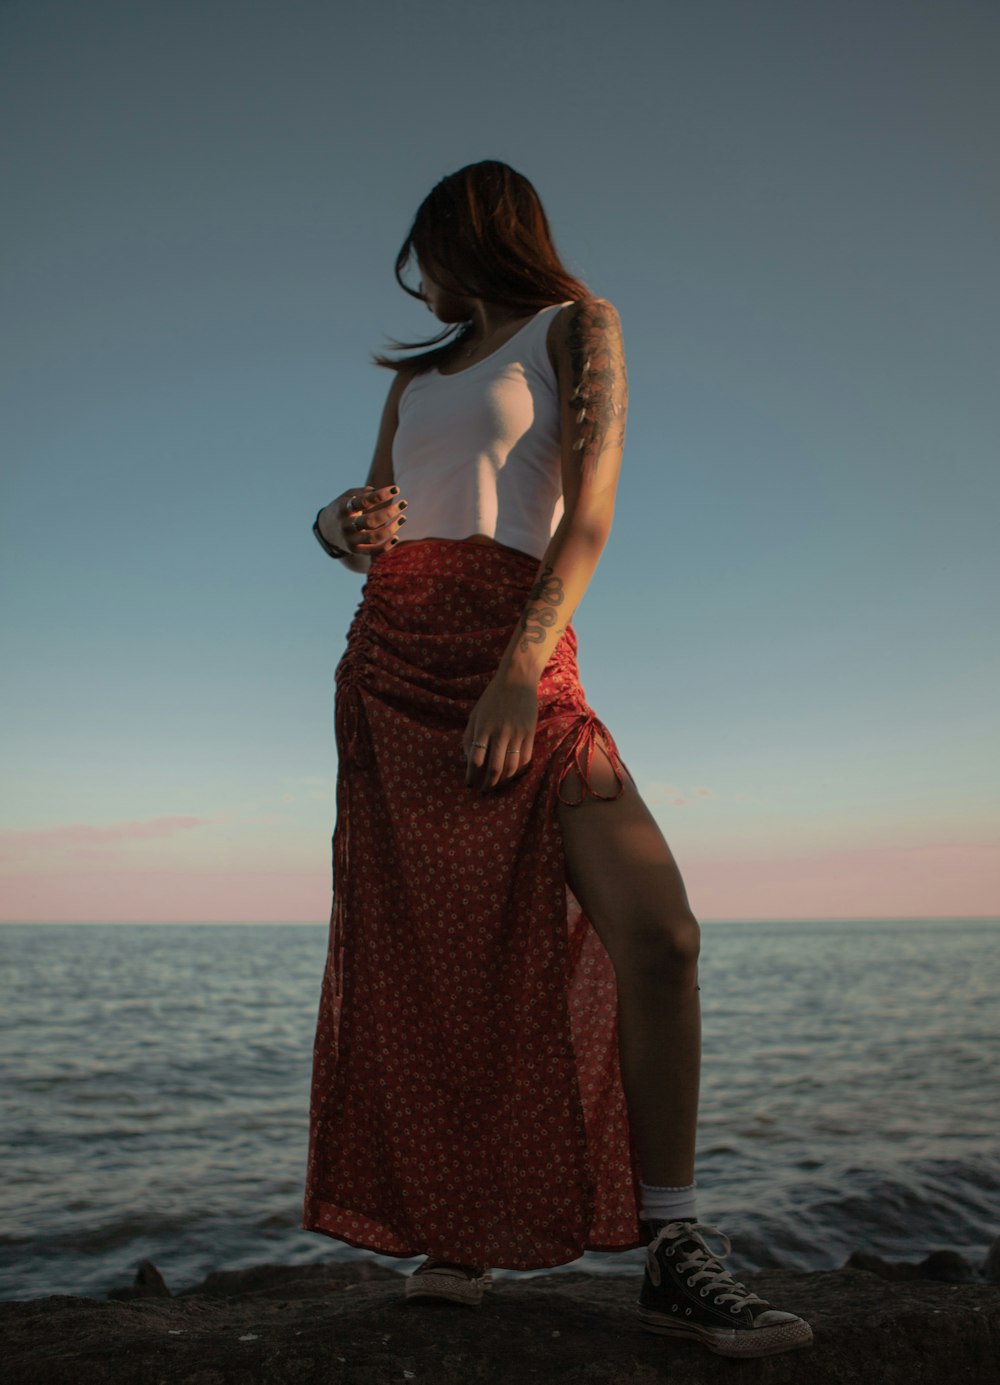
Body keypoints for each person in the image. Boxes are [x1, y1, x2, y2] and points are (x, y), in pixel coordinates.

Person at [302, 160, 812, 1360]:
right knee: (438, 955)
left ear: (472, 234)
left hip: (514, 651)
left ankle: (674, 1242)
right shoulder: (416, 379)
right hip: (394, 662)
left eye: (426, 250)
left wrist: (522, 669)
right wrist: (335, 523)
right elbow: (371, 517)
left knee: (661, 932)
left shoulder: (579, 327)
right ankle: (458, 1229)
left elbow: (586, 518)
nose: (418, 279)